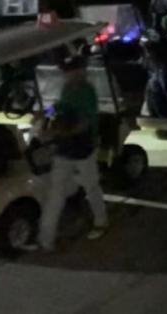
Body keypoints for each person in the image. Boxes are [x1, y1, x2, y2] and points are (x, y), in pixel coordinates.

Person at [35, 54, 108, 251]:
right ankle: (46, 239)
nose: (69, 75)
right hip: (65, 148)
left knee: (91, 185)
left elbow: (84, 123)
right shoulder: (68, 89)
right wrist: (45, 113)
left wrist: (56, 132)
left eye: (72, 70)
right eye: (67, 71)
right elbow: (60, 106)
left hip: (83, 148)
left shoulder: (87, 92)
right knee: (56, 193)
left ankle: (101, 221)